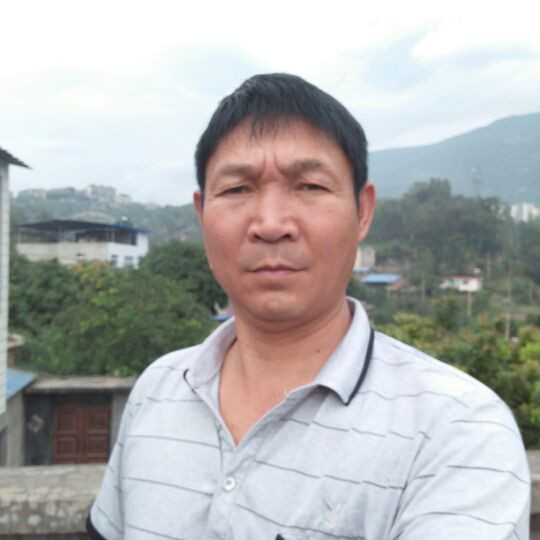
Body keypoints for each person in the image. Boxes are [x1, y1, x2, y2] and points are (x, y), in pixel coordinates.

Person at [88, 73, 530, 539]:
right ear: (201, 213)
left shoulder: (459, 431)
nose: (271, 224)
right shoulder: (157, 389)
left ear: (363, 211)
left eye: (310, 186)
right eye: (237, 189)